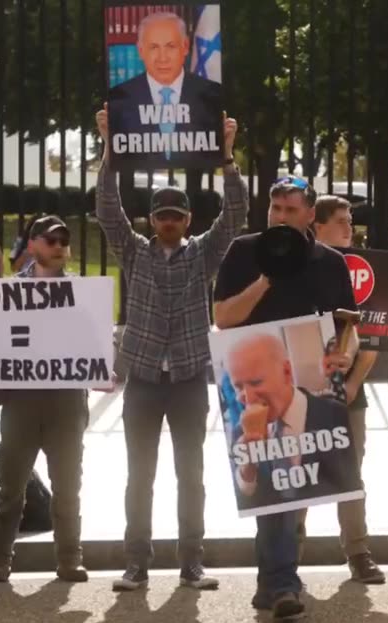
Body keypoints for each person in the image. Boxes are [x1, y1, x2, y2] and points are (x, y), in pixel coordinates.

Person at [95, 106, 244, 592]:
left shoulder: (202, 253)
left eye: (176, 216)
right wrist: (109, 150)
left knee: (191, 476)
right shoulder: (133, 250)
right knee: (139, 477)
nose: (168, 223)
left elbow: (236, 216)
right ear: (151, 219)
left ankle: (191, 564)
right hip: (141, 378)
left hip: (185, 379)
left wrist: (226, 158)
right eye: (161, 216)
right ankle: (136, 564)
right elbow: (106, 211)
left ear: (188, 219)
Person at [213, 175, 357, 622]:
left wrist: (344, 358)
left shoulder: (329, 262)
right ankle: (282, 583)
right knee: (277, 491)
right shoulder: (243, 252)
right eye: (276, 209)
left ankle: (271, 583)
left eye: (291, 210)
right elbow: (222, 318)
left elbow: (347, 327)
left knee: (291, 495)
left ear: (310, 214)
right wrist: (264, 281)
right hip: (253, 392)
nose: (281, 216)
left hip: (309, 388)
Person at [0, 216, 96, 585]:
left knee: (69, 487)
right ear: (32, 245)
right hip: (22, 404)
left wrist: (101, 369)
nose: (59, 246)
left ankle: (69, 559)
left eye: (64, 240)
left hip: (66, 405)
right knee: (11, 487)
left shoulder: (82, 294)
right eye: (51, 240)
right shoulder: (9, 293)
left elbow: (94, 346)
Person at [301, 194, 384, 583]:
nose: (350, 227)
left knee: (350, 473)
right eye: (341, 221)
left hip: (349, 393)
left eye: (351, 220)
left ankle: (358, 551)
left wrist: (351, 385)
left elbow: (377, 338)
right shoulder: (297, 268)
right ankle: (288, 553)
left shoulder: (365, 269)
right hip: (301, 389)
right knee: (297, 470)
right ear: (317, 226)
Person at [227, 332, 353, 503]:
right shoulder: (240, 434)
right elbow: (244, 496)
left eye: (256, 382)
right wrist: (248, 466)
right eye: (238, 387)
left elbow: (348, 485)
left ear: (286, 372)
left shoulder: (336, 416)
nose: (248, 399)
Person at [106, 11, 222, 163]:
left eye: (170, 46)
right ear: (140, 51)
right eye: (154, 47)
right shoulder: (119, 97)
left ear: (185, 47)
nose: (163, 57)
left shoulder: (212, 94)